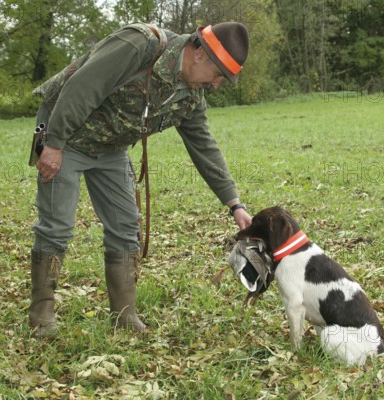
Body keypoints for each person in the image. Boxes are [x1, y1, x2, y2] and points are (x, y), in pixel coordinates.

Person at [28, 22, 252, 337]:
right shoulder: (140, 45)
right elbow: (83, 86)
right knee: (57, 226)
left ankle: (125, 316)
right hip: (66, 135)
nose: (216, 85)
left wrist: (234, 204)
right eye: (218, 75)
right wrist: (53, 143)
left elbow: (205, 147)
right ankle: (41, 317)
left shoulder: (189, 95)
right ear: (199, 53)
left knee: (125, 225)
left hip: (110, 148)